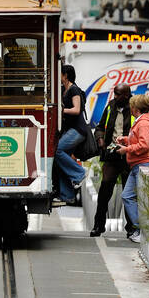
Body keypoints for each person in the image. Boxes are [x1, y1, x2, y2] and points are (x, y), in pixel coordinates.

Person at [90, 83, 136, 237]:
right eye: (115, 94)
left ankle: (131, 228)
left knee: (129, 193)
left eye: (118, 94)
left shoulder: (135, 108)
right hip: (112, 155)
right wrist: (100, 139)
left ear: (126, 95)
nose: (115, 97)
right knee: (104, 189)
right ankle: (98, 226)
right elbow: (100, 127)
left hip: (129, 156)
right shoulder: (110, 106)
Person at [115, 93, 149, 244]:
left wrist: (126, 149)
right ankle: (140, 229)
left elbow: (144, 145)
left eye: (132, 106)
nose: (130, 109)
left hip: (143, 164)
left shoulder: (143, 123)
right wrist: (126, 140)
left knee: (138, 199)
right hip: (138, 164)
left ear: (136, 108)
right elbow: (140, 140)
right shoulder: (141, 122)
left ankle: (143, 231)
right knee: (128, 196)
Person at [54, 64, 90, 205]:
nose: (59, 76)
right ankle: (67, 195)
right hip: (70, 129)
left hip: (78, 129)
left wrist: (61, 111)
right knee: (59, 160)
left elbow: (76, 110)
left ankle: (79, 173)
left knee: (57, 151)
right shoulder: (64, 89)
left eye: (60, 73)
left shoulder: (74, 89)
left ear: (65, 75)